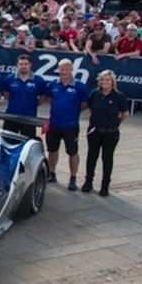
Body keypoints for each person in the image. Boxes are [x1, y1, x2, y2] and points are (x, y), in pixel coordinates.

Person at [82, 70, 128, 196]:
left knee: (107, 159)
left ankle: (105, 185)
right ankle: (88, 182)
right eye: (103, 80)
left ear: (112, 82)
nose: (105, 82)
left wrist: (115, 123)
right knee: (92, 157)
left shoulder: (119, 96)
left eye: (108, 80)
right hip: (95, 131)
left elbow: (125, 114)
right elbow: (90, 107)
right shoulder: (95, 94)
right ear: (99, 81)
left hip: (111, 133)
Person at [46, 59, 90, 189]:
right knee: (52, 151)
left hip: (71, 126)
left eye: (67, 69)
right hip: (54, 125)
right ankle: (52, 173)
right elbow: (49, 99)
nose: (64, 71)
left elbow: (85, 104)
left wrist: (73, 111)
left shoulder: (80, 86)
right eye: (61, 69)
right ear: (58, 70)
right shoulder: (53, 84)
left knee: (72, 152)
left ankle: (73, 178)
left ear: (72, 69)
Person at [1, 55, 47, 138]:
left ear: (30, 65)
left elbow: (43, 96)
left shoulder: (38, 80)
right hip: (11, 117)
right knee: (8, 141)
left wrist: (34, 104)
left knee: (27, 143)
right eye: (21, 64)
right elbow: (6, 94)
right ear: (17, 65)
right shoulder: (9, 79)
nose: (23, 66)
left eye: (26, 64)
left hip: (29, 118)